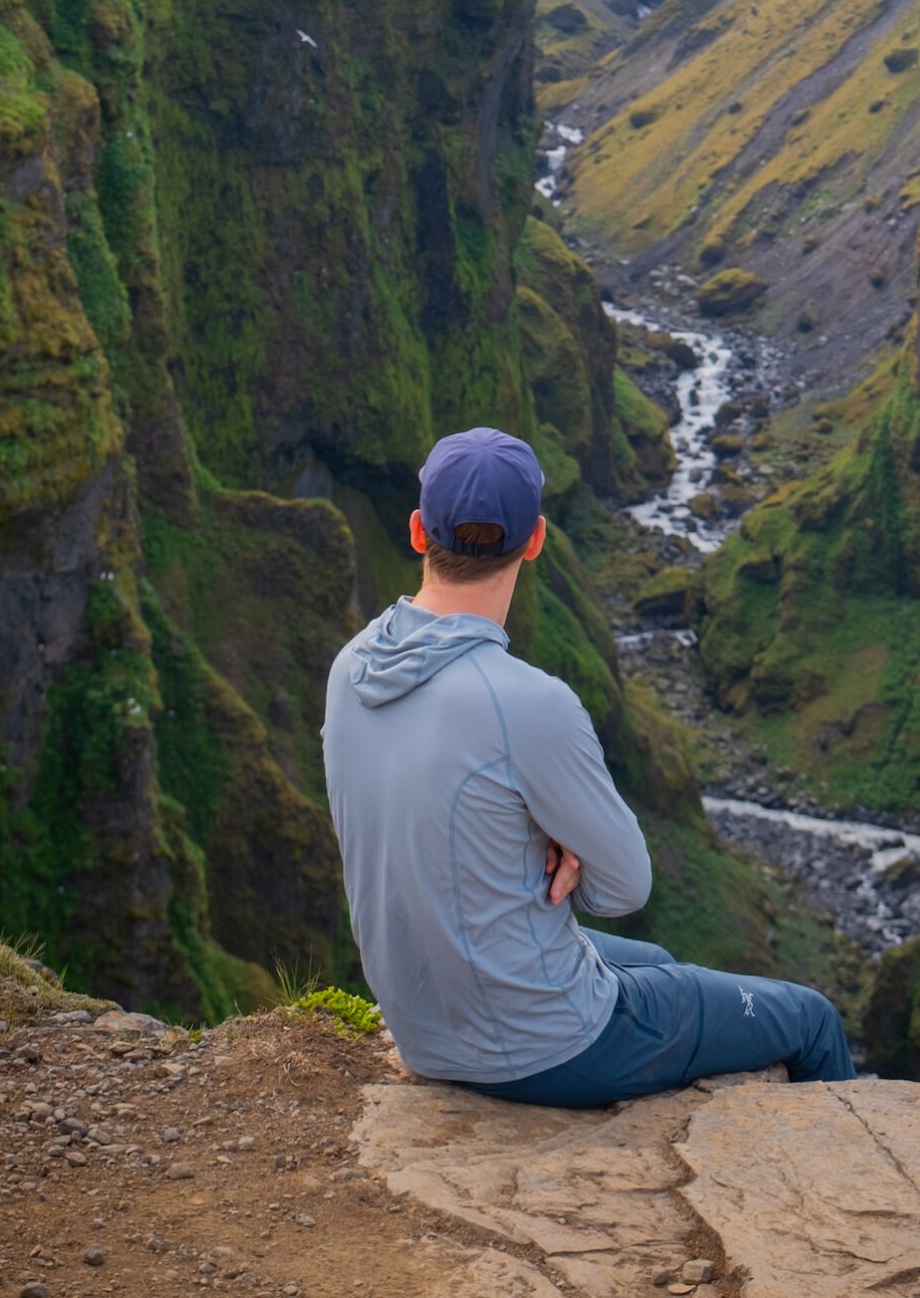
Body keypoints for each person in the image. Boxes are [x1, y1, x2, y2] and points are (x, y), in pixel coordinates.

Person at [322, 424, 854, 1106]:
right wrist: (564, 850)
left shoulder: (352, 668)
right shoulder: (526, 702)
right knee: (809, 1018)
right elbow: (622, 890)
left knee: (657, 967)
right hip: (543, 1046)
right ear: (536, 539)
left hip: (425, 1026)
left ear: (419, 531)